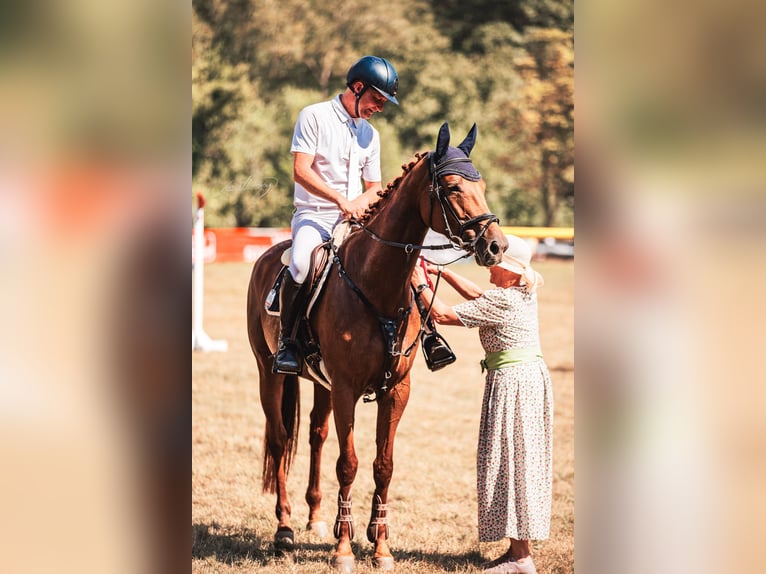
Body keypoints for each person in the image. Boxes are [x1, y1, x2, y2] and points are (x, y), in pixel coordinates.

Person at [411, 235, 553, 574]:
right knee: (516, 461)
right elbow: (478, 295)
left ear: (511, 272)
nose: (489, 269)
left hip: (513, 383)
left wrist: (418, 283)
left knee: (511, 461)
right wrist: (441, 273)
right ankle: (517, 552)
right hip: (524, 379)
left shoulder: (504, 302)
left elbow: (443, 314)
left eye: (496, 266)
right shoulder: (519, 293)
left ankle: (520, 559)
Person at [273, 55, 399, 374]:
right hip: (315, 216)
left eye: (383, 102)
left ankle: (421, 337)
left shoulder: (371, 135)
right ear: (357, 87)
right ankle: (288, 342)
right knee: (301, 263)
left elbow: (374, 187)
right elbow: (301, 171)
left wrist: (360, 203)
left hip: (354, 222)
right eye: (376, 99)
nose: (379, 108)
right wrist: (341, 200)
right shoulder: (314, 116)